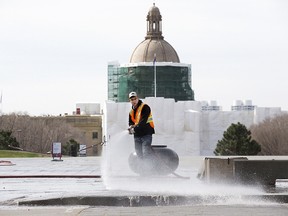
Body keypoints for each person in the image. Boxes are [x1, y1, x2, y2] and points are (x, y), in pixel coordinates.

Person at [128, 92, 155, 159]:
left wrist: (134, 129)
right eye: (132, 100)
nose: (133, 101)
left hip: (146, 134)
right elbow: (131, 122)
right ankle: (142, 169)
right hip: (137, 135)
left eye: (135, 99)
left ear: (137, 98)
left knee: (146, 153)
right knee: (139, 154)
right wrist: (131, 127)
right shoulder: (131, 112)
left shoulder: (145, 107)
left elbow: (143, 121)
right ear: (130, 101)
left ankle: (149, 168)